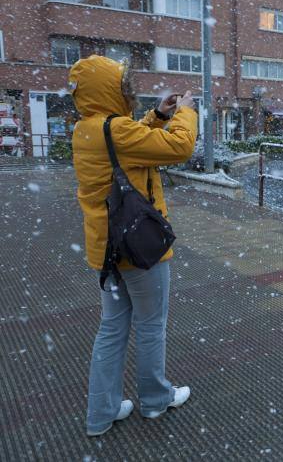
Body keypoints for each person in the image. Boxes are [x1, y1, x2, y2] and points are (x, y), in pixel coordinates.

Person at [69, 55, 198, 436]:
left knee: (111, 328)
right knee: (151, 325)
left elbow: (127, 141)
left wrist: (157, 115)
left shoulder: (87, 128)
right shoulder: (117, 130)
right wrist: (185, 114)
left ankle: (101, 413)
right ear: (112, 90)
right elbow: (179, 148)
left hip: (104, 249)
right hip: (138, 247)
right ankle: (156, 400)